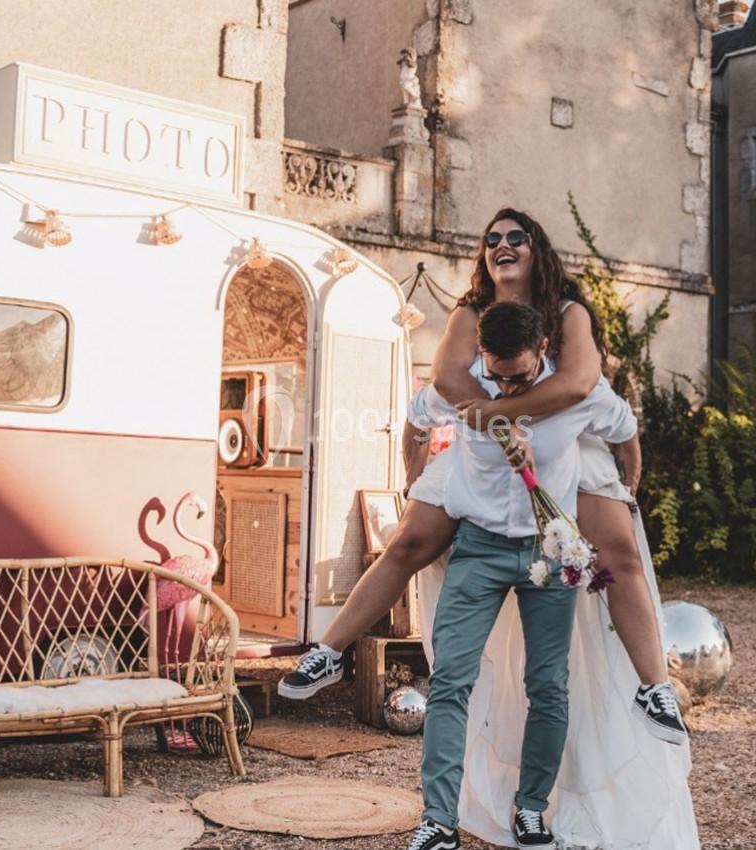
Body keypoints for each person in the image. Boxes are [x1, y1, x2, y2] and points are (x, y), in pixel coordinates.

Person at [279, 208, 686, 747]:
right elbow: (446, 380)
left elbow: (578, 384)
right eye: (491, 238)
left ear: (536, 249)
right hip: (480, 446)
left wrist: (506, 416)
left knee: (620, 553)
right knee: (408, 543)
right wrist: (424, 465)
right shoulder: (471, 311)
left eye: (516, 236)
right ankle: (328, 654)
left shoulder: (567, 313)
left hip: (564, 442)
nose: (502, 244)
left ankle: (652, 685)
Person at [405, 302, 637, 850]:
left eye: (520, 377)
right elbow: (417, 422)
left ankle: (530, 810)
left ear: (543, 354)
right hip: (479, 549)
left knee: (549, 686)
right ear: (484, 358)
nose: (506, 389)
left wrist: (629, 488)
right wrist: (413, 482)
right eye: (497, 376)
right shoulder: (464, 386)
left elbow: (626, 429)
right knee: (450, 682)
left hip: (552, 554)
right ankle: (437, 821)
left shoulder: (576, 392)